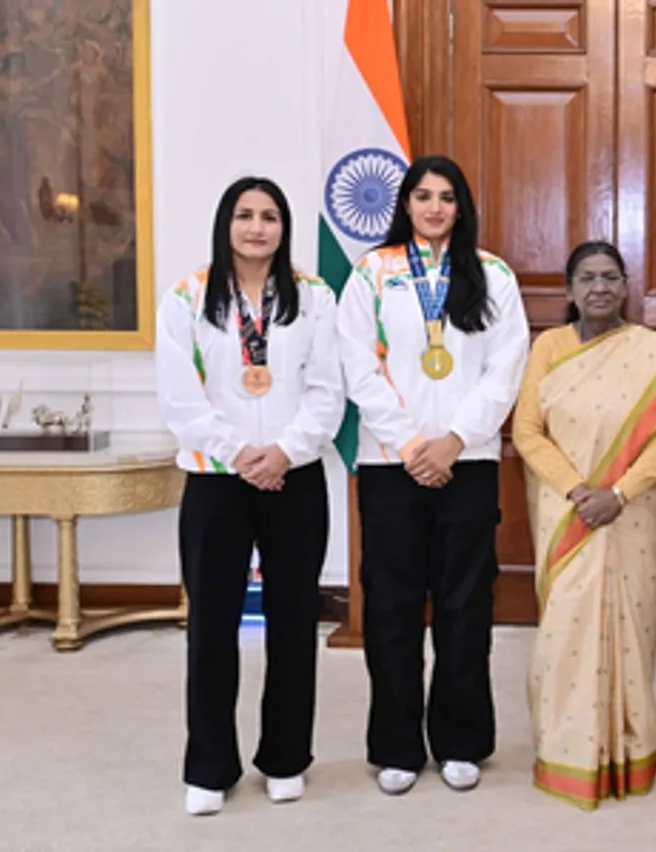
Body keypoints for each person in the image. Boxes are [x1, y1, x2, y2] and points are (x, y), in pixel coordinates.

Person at [337, 155, 530, 796]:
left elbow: (505, 370)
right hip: (391, 464)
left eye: (447, 196)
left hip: (467, 463)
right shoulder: (372, 271)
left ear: (461, 205)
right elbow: (358, 367)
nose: (435, 207)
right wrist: (413, 444)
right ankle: (396, 745)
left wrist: (453, 441)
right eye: (423, 195)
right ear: (406, 203)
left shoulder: (492, 274)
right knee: (390, 606)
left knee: (464, 605)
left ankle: (461, 740)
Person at [155, 176, 344, 816]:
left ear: (284, 226)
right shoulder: (186, 296)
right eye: (245, 215)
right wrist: (240, 455)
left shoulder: (314, 296)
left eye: (269, 216)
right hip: (216, 481)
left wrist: (283, 452)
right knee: (212, 626)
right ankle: (209, 766)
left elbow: (327, 390)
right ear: (225, 224)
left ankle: (286, 757)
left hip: (294, 478)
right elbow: (180, 396)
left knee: (293, 622)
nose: (257, 227)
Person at [513, 240, 656, 810]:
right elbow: (527, 431)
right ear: (569, 291)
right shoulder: (549, 347)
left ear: (626, 288)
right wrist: (579, 492)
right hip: (566, 512)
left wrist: (618, 493)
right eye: (587, 277)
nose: (599, 286)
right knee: (563, 634)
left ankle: (631, 747)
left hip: (632, 515)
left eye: (611, 277)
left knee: (631, 631)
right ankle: (566, 750)